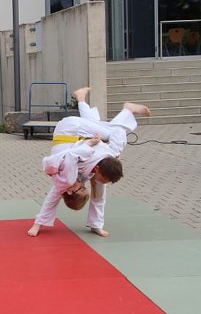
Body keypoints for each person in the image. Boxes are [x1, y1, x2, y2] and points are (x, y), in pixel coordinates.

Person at [27, 87, 151, 237]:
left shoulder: (69, 177)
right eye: (103, 179)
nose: (86, 186)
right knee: (109, 129)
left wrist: (90, 143)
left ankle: (95, 224)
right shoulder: (108, 154)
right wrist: (37, 224)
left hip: (71, 136)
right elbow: (52, 199)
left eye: (82, 188)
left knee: (107, 131)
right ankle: (122, 108)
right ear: (98, 168)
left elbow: (74, 155)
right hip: (71, 130)